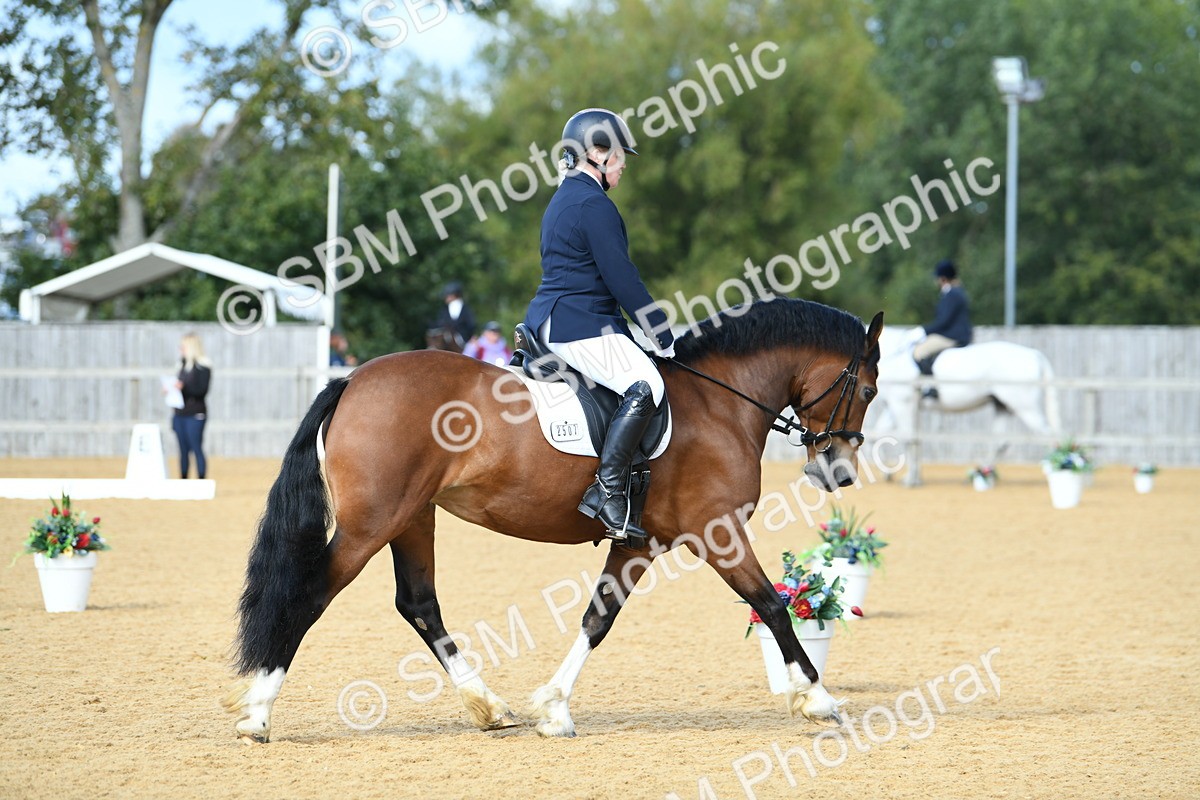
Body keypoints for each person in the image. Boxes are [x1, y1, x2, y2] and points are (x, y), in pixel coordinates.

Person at [523, 107, 675, 544]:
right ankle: (609, 491)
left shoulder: (566, 198)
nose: (624, 163)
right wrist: (660, 333)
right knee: (647, 384)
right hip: (578, 324)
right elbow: (621, 278)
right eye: (619, 155)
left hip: (562, 317)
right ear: (595, 154)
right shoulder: (593, 204)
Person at [913, 259, 973, 399]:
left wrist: (924, 330)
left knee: (919, 351)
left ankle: (931, 386)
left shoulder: (952, 294)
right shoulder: (955, 292)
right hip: (952, 333)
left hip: (953, 335)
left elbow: (944, 321)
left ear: (942, 278)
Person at [172, 332, 212, 479]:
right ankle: (184, 480)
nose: (180, 349)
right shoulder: (181, 365)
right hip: (179, 413)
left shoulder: (203, 367)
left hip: (195, 414)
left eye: (182, 347)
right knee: (183, 450)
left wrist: (183, 387)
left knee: (196, 447)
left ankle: (201, 480)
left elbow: (202, 390)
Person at [435, 281, 477, 350]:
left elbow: (471, 325)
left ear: (454, 295)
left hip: (464, 339)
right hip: (446, 338)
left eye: (447, 295)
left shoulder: (466, 309)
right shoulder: (444, 310)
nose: (445, 298)